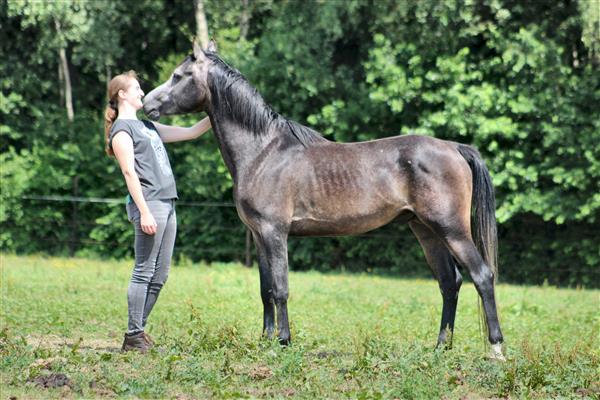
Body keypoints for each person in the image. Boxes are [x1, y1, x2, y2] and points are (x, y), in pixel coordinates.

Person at [104, 71, 211, 352]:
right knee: (143, 271)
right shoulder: (122, 132)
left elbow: (191, 132)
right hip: (149, 204)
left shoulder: (148, 127)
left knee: (160, 275)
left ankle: (136, 332)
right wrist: (144, 212)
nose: (142, 93)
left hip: (167, 202)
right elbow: (129, 173)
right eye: (137, 89)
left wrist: (219, 109)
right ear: (121, 95)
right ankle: (134, 335)